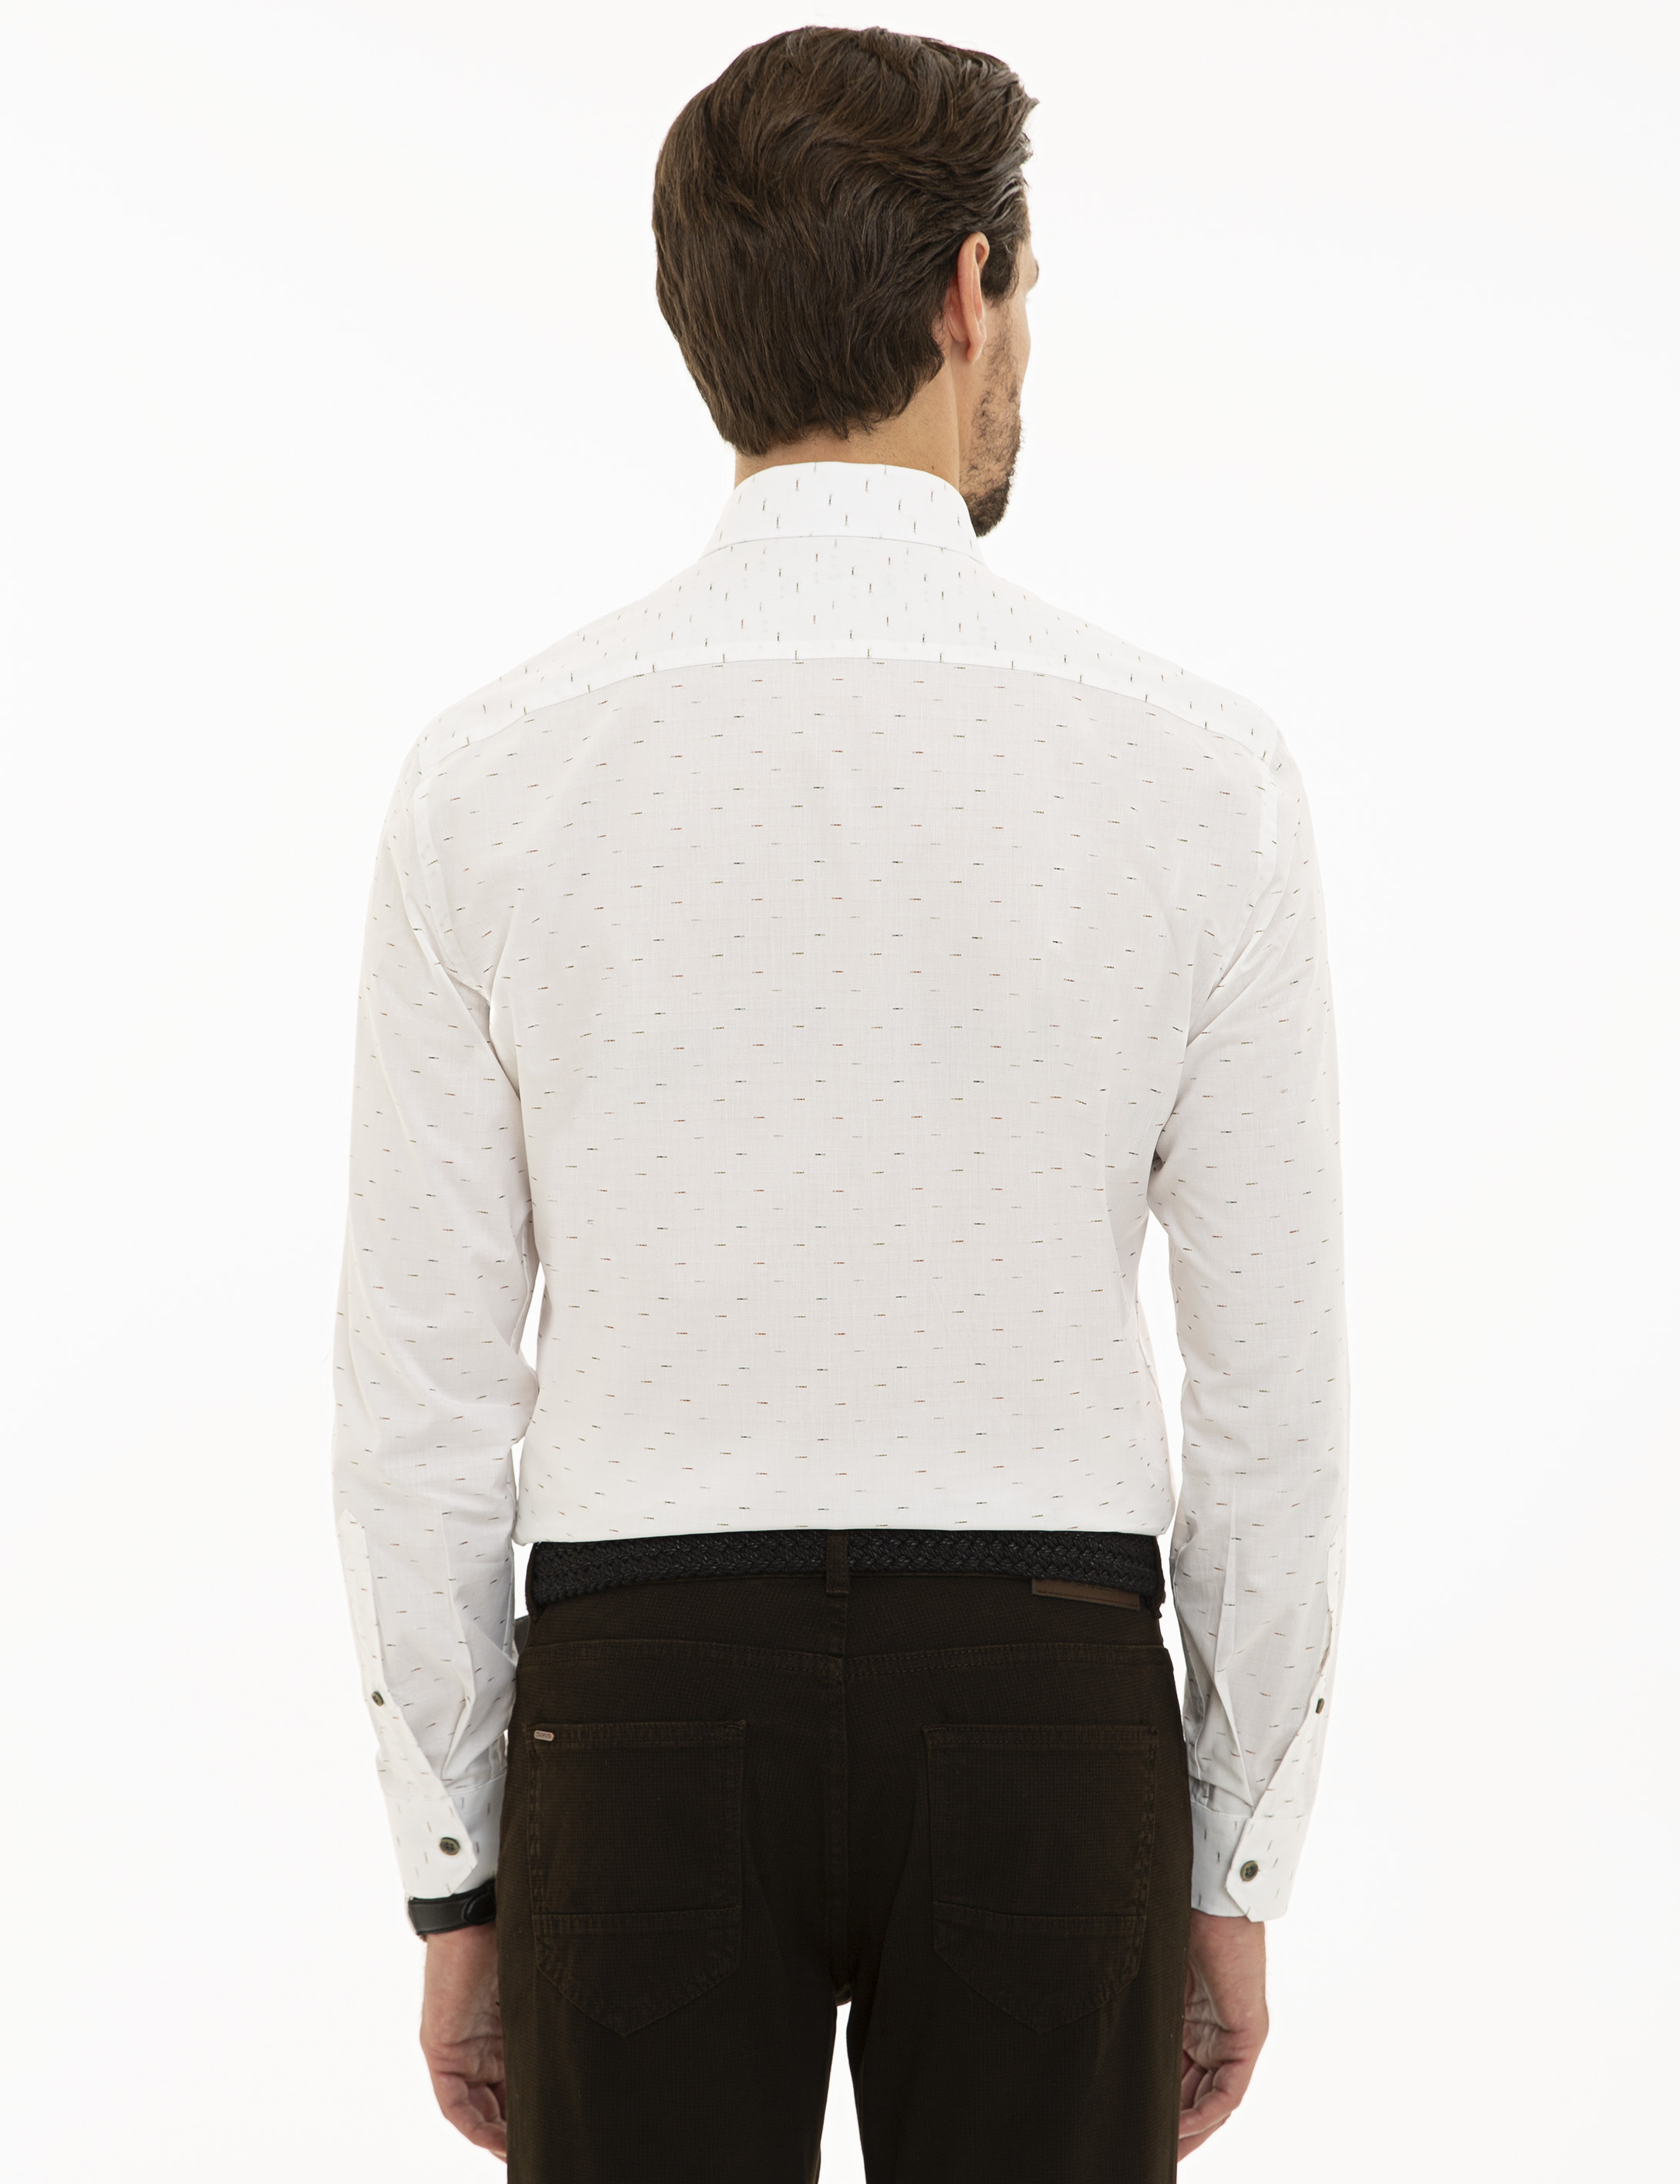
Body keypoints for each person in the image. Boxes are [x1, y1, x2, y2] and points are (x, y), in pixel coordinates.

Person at [332, 25, 1348, 2181]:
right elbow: (1271, 1396)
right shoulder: (1199, 775)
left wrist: (455, 1869)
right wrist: (1235, 1854)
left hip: (631, 1708)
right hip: (1048, 1700)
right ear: (969, 293)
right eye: (1027, 293)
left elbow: (421, 1396)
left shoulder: (494, 776)